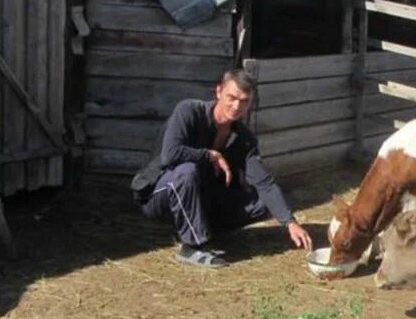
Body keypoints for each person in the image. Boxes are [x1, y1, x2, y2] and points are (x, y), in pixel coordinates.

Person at [130, 68, 313, 268]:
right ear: (218, 92)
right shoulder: (188, 111)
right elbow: (170, 155)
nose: (236, 106)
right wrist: (209, 154)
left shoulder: (244, 138)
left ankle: (202, 227)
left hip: (202, 195)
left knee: (263, 201)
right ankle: (192, 247)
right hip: (160, 192)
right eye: (231, 97)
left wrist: (290, 222)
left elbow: (265, 183)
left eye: (244, 101)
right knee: (187, 171)